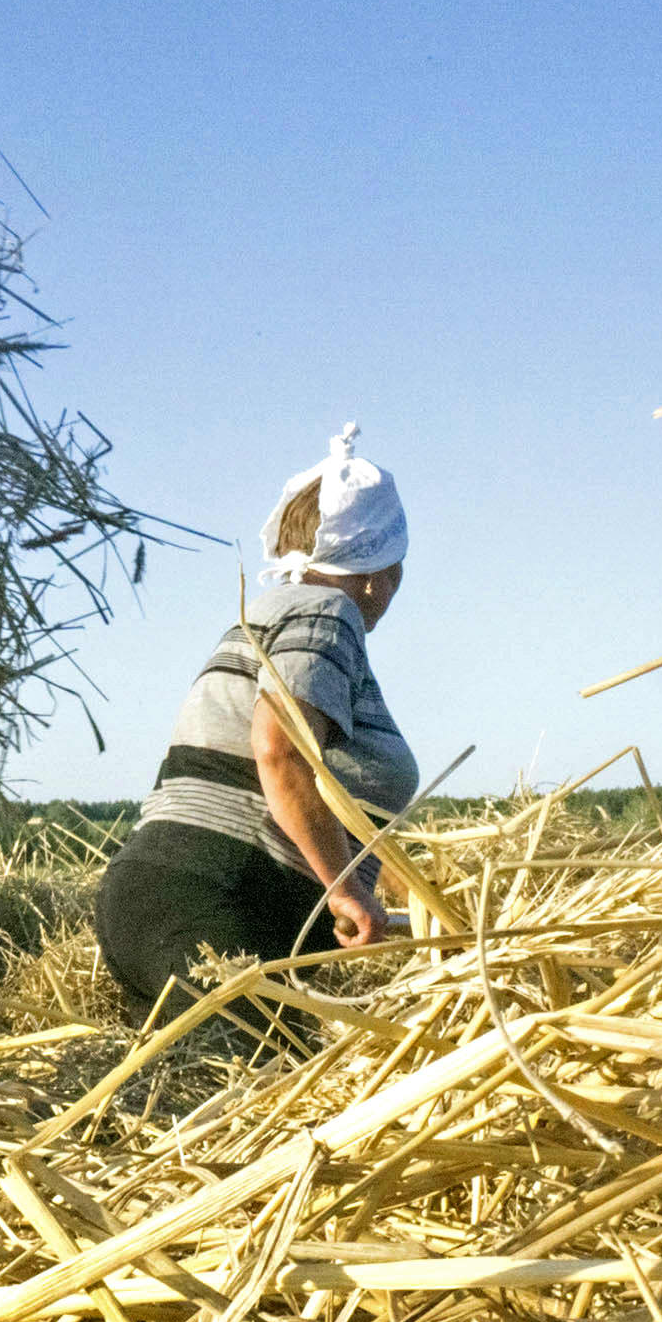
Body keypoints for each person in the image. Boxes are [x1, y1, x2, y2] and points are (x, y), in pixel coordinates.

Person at [94, 424, 421, 1032]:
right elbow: (278, 752)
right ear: (380, 569)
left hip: (166, 901)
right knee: (300, 1109)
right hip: (214, 910)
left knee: (194, 1109)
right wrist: (346, 888)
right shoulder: (327, 613)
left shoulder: (268, 614)